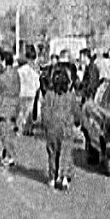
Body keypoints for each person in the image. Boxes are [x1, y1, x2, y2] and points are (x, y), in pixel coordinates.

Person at [38, 63, 82, 191]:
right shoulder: (70, 95)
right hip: (66, 127)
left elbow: (44, 112)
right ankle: (63, 177)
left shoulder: (49, 95)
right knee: (66, 152)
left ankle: (52, 177)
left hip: (52, 127)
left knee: (53, 152)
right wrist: (78, 122)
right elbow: (76, 111)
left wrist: (45, 126)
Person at [0, 50, 21, 167]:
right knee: (11, 131)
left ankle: (9, 155)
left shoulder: (2, 76)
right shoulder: (16, 74)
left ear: (3, 61)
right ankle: (8, 154)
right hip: (15, 104)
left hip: (4, 105)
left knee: (4, 132)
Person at [17, 44, 41, 135]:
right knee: (29, 113)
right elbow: (37, 84)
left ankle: (20, 129)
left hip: (22, 93)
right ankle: (28, 130)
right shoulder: (35, 72)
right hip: (31, 94)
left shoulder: (21, 70)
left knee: (21, 112)